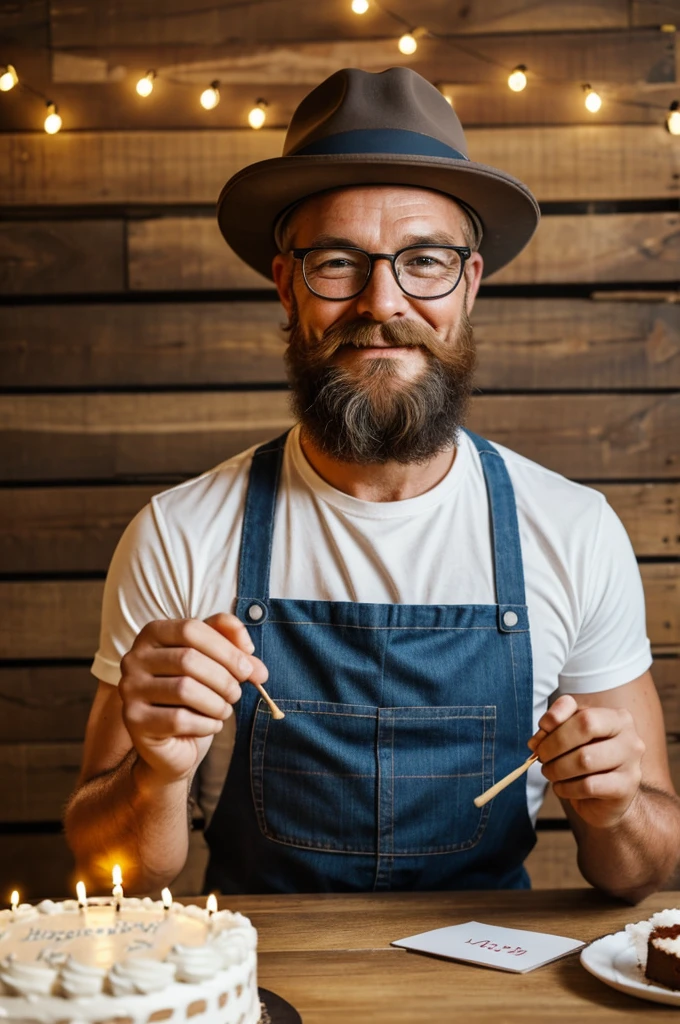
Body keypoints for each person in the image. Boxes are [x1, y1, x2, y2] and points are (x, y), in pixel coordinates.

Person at [65, 67, 680, 900]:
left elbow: (647, 870)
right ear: (287, 287)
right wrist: (156, 777)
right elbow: (117, 878)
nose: (381, 301)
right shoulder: (179, 535)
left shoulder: (573, 530)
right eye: (337, 263)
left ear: (469, 284)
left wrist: (616, 812)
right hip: (258, 985)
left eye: (424, 261)